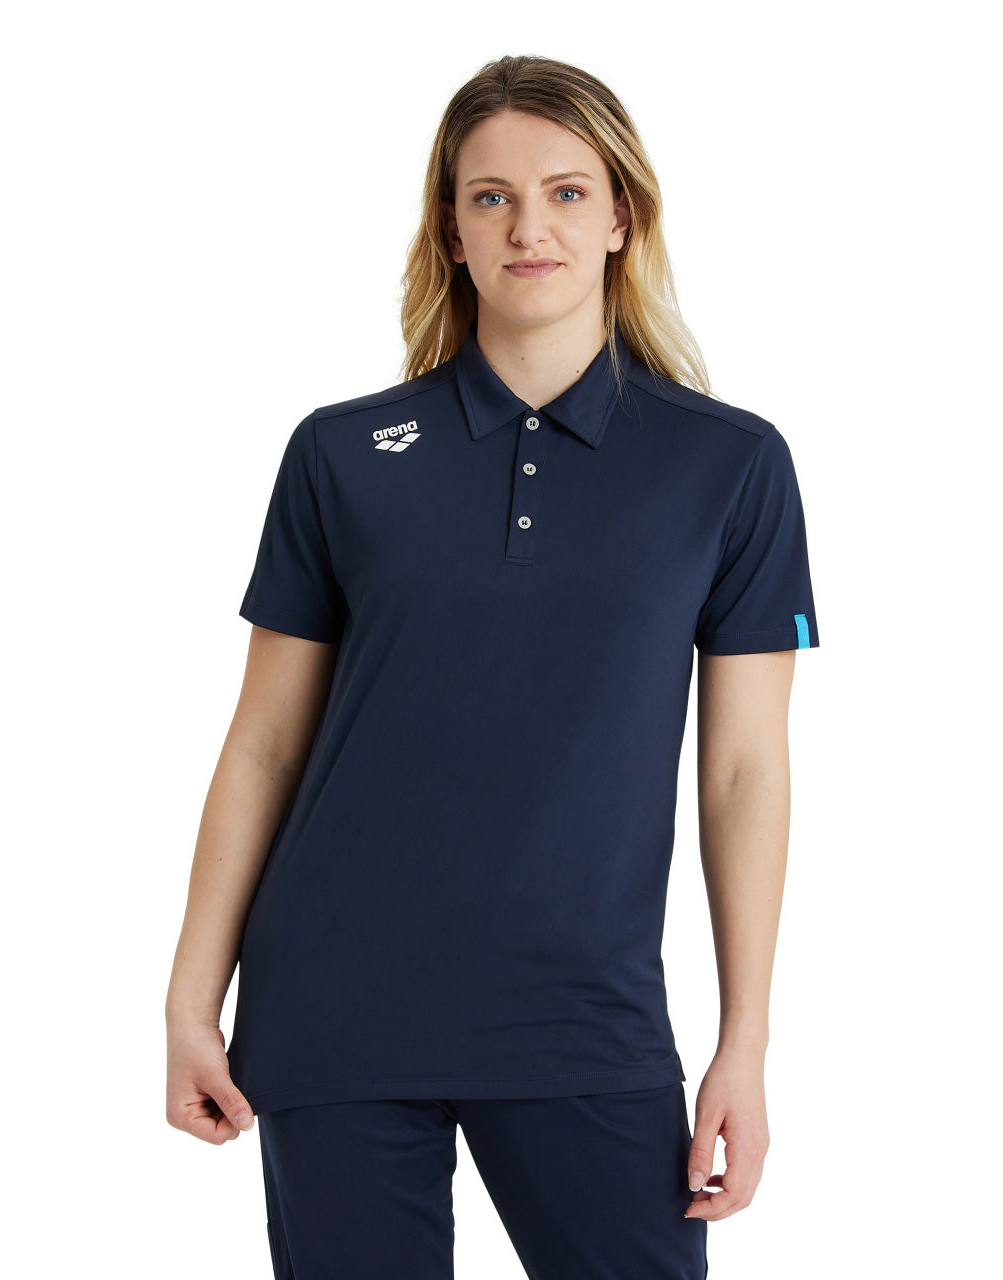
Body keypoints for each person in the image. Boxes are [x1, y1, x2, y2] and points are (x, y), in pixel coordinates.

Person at [166, 53, 820, 1279]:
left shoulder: (729, 467)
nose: (531, 228)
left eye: (568, 193)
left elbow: (744, 771)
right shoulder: (340, 453)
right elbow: (263, 743)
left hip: (585, 1018)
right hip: (336, 1007)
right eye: (492, 197)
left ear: (622, 217)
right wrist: (191, 996)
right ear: (452, 228)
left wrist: (746, 1039)